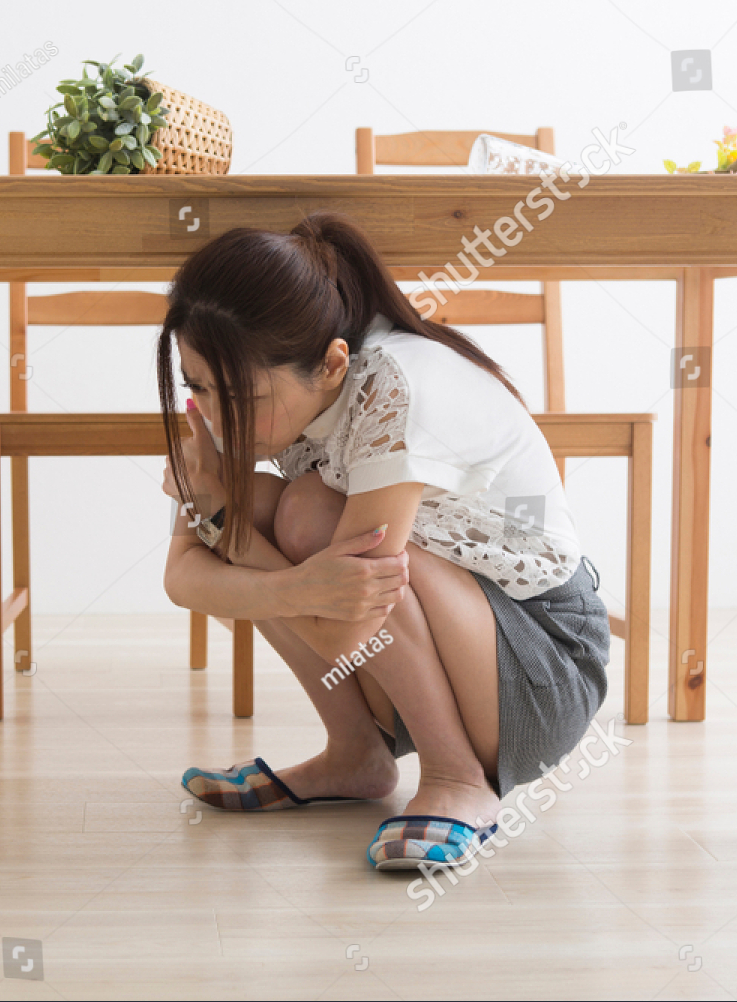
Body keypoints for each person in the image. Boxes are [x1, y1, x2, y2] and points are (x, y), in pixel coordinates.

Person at [159, 211, 609, 870]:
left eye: (243, 397)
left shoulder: (393, 386)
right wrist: (278, 570)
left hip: (540, 666)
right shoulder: (242, 381)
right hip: (447, 656)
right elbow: (181, 579)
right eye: (197, 387)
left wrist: (230, 523)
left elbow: (342, 635)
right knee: (263, 508)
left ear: (334, 364)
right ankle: (356, 754)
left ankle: (458, 776)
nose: (218, 414)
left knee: (307, 517)